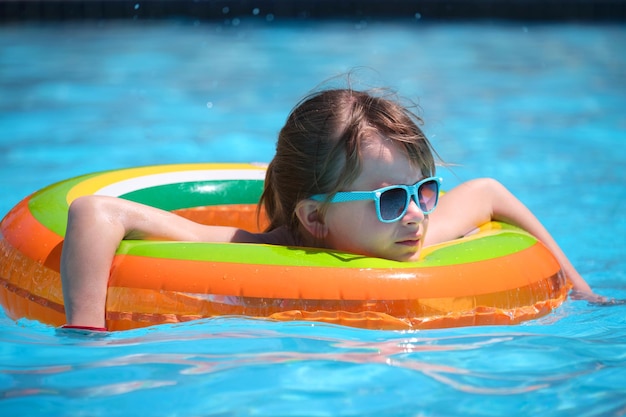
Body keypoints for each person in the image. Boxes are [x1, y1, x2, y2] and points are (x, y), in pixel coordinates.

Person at [60, 87, 598, 331]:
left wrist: (582, 291)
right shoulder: (247, 252)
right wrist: (85, 333)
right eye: (389, 199)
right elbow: (95, 213)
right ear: (315, 218)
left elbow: (487, 191)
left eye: (424, 191)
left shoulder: (414, 236)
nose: (415, 214)